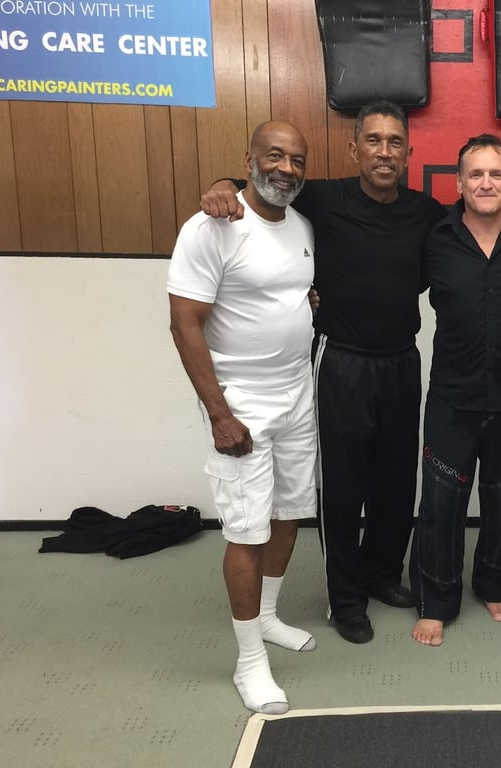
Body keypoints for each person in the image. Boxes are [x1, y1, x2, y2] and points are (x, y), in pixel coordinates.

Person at [199, 101, 501, 645]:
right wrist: (222, 186)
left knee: (396, 482)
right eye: (374, 141)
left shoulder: (427, 214)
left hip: (402, 361)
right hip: (342, 360)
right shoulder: (322, 198)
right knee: (343, 486)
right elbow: (262, 186)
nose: (384, 151)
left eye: (395, 142)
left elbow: (480, 213)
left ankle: (382, 573)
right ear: (354, 149)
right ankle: (345, 597)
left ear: (408, 153)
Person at [168, 121, 318, 715]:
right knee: (247, 531)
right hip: (242, 402)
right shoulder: (212, 227)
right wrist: (218, 413)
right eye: (274, 156)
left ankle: (270, 617)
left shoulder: (302, 225)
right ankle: (249, 661)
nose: (286, 168)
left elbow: (290, 295)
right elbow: (184, 324)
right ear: (249, 159)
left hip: (298, 393)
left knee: (289, 514)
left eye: (296, 159)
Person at [409, 134, 501, 647]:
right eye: (475, 174)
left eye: (496, 174)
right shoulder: (435, 237)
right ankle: (435, 600)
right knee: (441, 503)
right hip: (452, 394)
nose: (486, 183)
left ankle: (492, 584)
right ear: (460, 182)